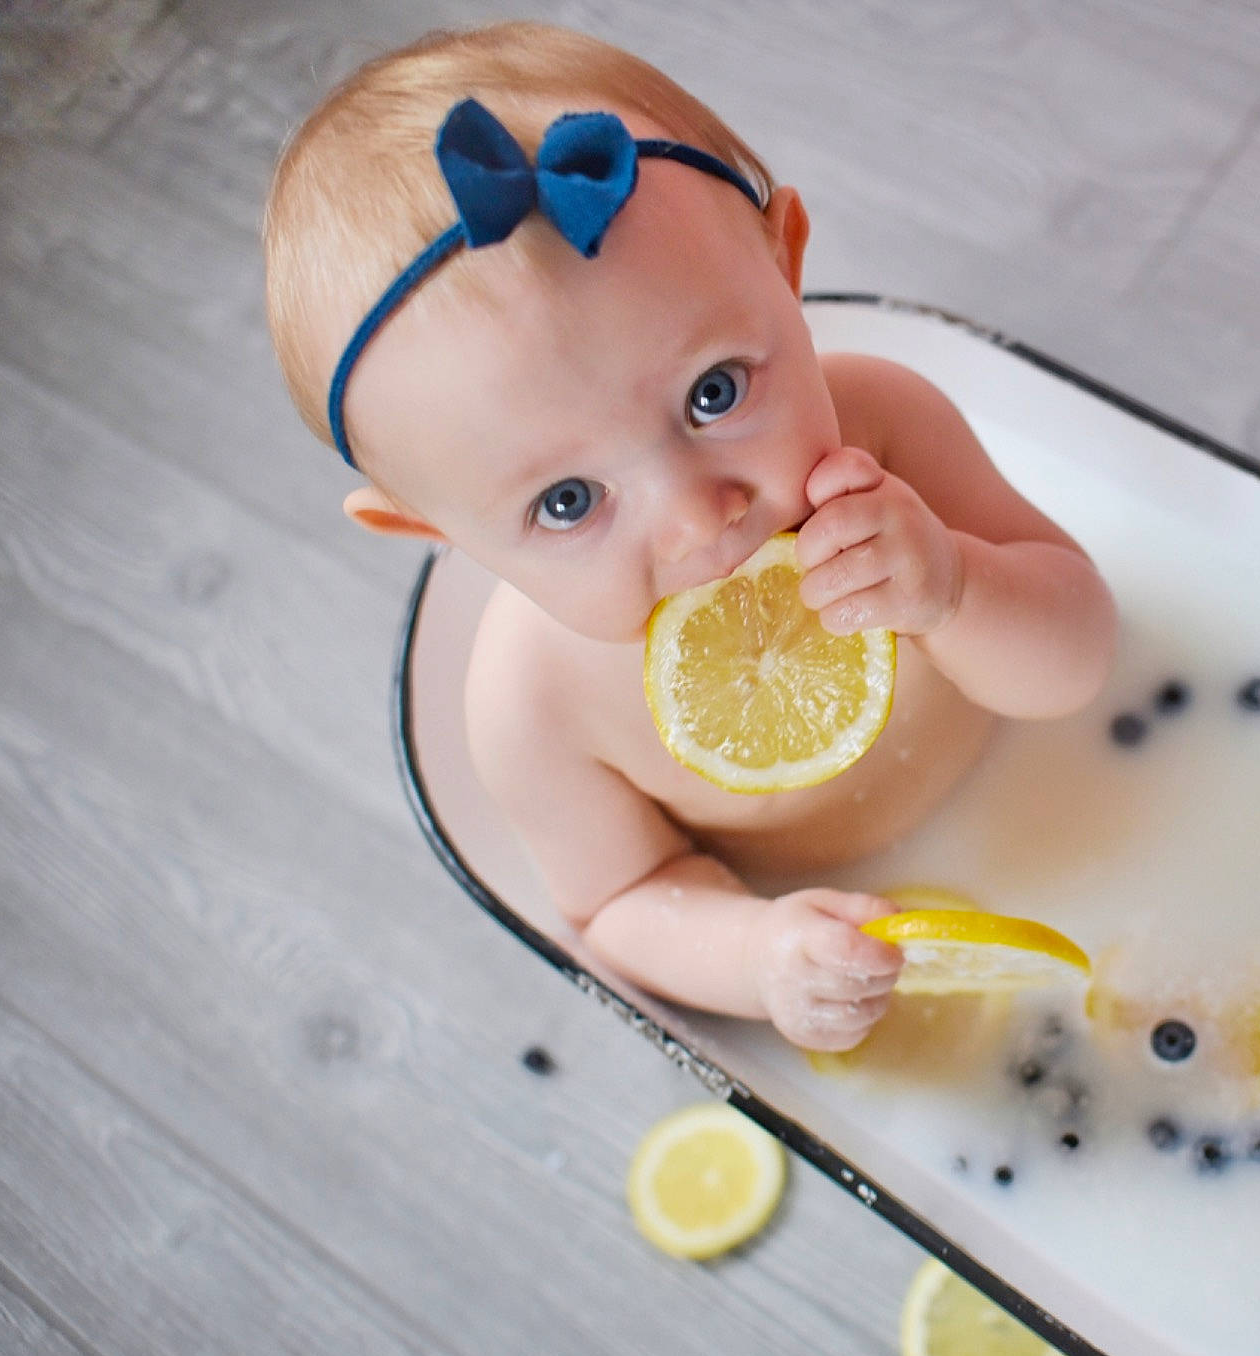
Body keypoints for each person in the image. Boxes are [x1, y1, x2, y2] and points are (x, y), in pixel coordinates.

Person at [262, 21, 1117, 1053]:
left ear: (783, 258)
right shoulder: (529, 705)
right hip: (906, 946)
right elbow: (623, 900)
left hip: (1063, 795)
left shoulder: (886, 426)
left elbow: (1079, 657)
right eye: (568, 501)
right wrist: (758, 955)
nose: (695, 518)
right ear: (437, 532)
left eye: (714, 393)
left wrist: (956, 589)